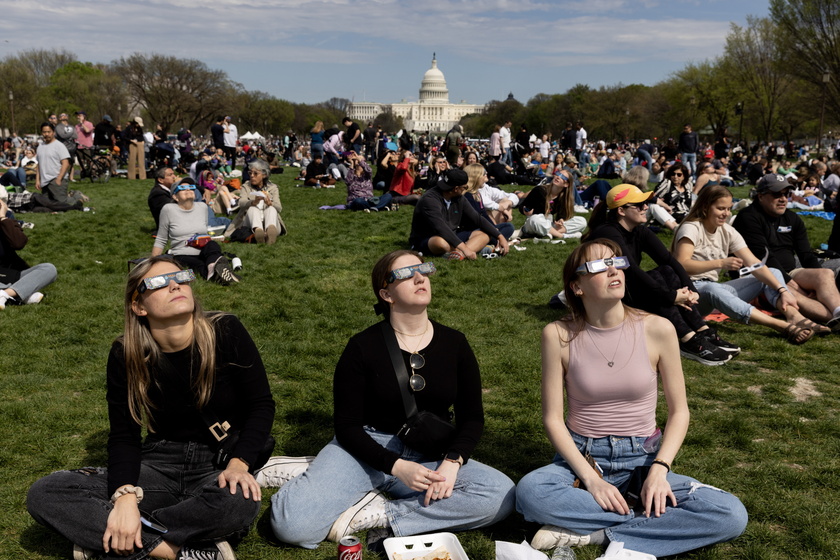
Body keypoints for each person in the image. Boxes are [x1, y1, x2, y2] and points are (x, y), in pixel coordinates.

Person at [27, 255, 275, 560]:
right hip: (159, 462)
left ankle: (118, 539)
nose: (175, 285)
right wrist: (126, 497)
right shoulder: (126, 353)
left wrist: (239, 465)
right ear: (139, 306)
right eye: (158, 282)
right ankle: (173, 549)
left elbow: (261, 405)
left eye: (181, 277)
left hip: (218, 461)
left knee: (238, 501)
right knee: (46, 492)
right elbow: (124, 435)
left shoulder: (225, 330)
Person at [269, 250, 516, 549]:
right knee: (292, 526)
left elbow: (472, 417)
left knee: (501, 495)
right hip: (365, 448)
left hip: (431, 453)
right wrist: (396, 466)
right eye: (406, 273)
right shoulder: (362, 347)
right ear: (386, 294)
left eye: (423, 269)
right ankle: (316, 472)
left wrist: (453, 461)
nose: (420, 276)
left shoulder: (455, 343)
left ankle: (380, 513)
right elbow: (347, 426)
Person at [515, 240, 748, 557]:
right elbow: (553, 419)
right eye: (599, 265)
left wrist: (659, 470)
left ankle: (597, 533)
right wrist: (591, 481)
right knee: (530, 493)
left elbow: (680, 412)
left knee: (730, 514)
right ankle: (643, 521)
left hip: (643, 458)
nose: (613, 269)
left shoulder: (658, 328)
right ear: (577, 286)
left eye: (617, 261)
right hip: (583, 460)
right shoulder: (557, 333)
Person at [585, 185, 736, 365]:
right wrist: (671, 296)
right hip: (608, 296)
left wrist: (691, 289)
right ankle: (686, 338)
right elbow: (631, 271)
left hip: (627, 289)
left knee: (666, 271)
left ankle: (701, 330)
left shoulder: (639, 230)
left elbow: (669, 261)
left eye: (646, 203)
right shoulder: (607, 232)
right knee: (656, 279)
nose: (646, 207)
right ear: (621, 210)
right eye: (639, 205)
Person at [673, 184, 828, 343]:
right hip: (690, 294)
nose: (726, 214)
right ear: (705, 207)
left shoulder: (727, 230)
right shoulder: (691, 228)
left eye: (729, 209)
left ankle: (795, 317)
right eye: (721, 209)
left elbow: (754, 263)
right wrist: (720, 263)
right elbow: (682, 264)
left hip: (715, 291)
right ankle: (780, 326)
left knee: (773, 272)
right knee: (712, 288)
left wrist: (783, 290)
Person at [732, 173, 840, 328]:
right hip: (758, 276)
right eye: (777, 194)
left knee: (825, 274)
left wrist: (814, 283)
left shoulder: (792, 218)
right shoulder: (748, 217)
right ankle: (833, 319)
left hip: (789, 271)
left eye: (786, 194)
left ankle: (837, 311)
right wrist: (795, 285)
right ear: (761, 196)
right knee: (789, 290)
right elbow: (764, 259)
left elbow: (806, 255)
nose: (783, 199)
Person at [409, 168, 509, 260]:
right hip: (429, 238)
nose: (465, 190)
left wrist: (500, 236)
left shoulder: (459, 198)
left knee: (485, 234)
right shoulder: (430, 200)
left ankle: (459, 254)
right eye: (465, 187)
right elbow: (440, 227)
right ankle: (468, 250)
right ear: (456, 189)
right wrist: (465, 248)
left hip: (453, 235)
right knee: (441, 243)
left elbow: (477, 218)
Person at [153, 182, 239, 284]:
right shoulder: (168, 209)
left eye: (191, 187)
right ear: (175, 197)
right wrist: (153, 264)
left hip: (203, 249)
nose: (188, 189)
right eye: (182, 188)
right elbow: (161, 239)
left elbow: (204, 232)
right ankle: (218, 272)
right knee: (198, 265)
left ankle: (214, 266)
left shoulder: (202, 207)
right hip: (181, 253)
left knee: (212, 245)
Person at [0, 197, 57, 310]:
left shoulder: (7, 218)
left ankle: (6, 294)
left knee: (49, 269)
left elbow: (19, 243)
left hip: (12, 274)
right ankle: (19, 294)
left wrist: (2, 218)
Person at [225, 159, 286, 244]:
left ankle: (270, 231)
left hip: (271, 221)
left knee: (271, 209)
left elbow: (279, 208)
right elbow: (241, 203)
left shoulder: (273, 188)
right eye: (250, 173)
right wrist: (252, 202)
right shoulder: (246, 186)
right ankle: (258, 232)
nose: (252, 176)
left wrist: (270, 203)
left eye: (255, 173)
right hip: (250, 224)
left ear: (264, 175)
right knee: (252, 208)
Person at [518, 172, 586, 240]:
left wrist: (560, 220)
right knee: (535, 219)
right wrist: (525, 211)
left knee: (582, 221)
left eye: (562, 177)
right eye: (558, 174)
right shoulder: (539, 190)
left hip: (549, 224)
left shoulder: (563, 198)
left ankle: (551, 233)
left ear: (566, 184)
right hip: (533, 224)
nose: (558, 177)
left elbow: (562, 216)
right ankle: (562, 236)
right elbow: (522, 206)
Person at [35, 122, 83, 208]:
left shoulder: (59, 146)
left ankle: (77, 196)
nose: (46, 134)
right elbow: (39, 165)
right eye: (44, 132)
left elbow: (66, 163)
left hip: (56, 179)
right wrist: (37, 180)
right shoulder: (40, 147)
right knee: (47, 204)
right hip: (45, 181)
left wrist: (59, 178)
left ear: (53, 132)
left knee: (62, 203)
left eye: (49, 132)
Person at [652, 162, 694, 228]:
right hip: (672, 214)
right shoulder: (667, 184)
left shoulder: (688, 185)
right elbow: (654, 198)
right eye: (673, 174)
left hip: (687, 213)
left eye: (679, 174)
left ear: (684, 176)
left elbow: (692, 200)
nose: (675, 177)